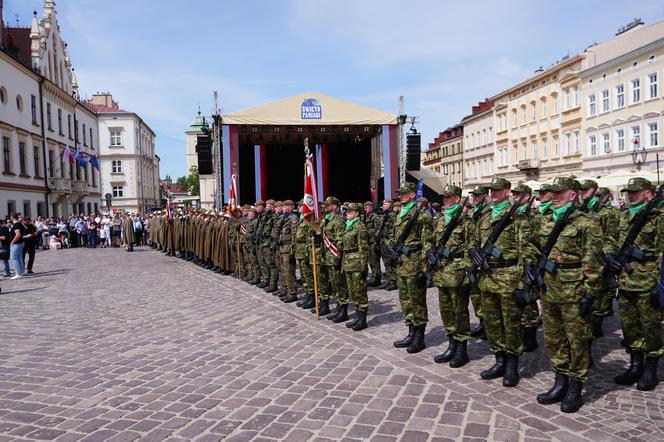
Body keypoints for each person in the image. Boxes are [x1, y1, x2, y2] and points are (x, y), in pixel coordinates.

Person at [532, 177, 602, 413]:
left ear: (572, 195)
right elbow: (534, 248)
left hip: (574, 291)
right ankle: (560, 382)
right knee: (553, 339)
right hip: (549, 289)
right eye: (552, 192)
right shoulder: (545, 220)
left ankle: (575, 386)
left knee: (577, 340)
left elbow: (592, 261)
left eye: (559, 193)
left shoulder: (586, 223)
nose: (554, 196)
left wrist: (589, 292)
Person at [469, 177, 536, 388]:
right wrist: (473, 252)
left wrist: (521, 283)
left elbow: (527, 252)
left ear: (508, 191)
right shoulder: (485, 216)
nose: (493, 194)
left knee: (511, 324)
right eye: (491, 190)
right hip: (487, 278)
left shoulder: (518, 216)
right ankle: (499, 360)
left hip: (508, 277)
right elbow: (472, 238)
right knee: (492, 323)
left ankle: (512, 365)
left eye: (498, 190)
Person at [604, 177, 664, 392]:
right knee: (629, 326)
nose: (630, 195)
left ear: (648, 193)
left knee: (651, 327)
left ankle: (651, 369)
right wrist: (609, 254)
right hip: (626, 282)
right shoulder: (623, 216)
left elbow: (661, 254)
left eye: (635, 192)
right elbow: (611, 239)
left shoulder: (658, 218)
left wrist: (660, 285)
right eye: (628, 192)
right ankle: (635, 364)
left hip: (648, 281)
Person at [427, 185, 473, 368]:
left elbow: (471, 248)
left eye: (448, 197)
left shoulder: (465, 222)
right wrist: (429, 251)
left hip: (457, 272)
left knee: (459, 312)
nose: (444, 200)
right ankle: (452, 345)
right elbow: (430, 240)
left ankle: (462, 350)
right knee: (446, 311)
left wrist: (468, 276)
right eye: (443, 197)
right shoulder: (439, 220)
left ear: (456, 199)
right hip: (441, 272)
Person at [388, 182, 433, 354]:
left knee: (417, 301)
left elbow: (427, 242)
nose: (401, 195)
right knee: (405, 300)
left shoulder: (421, 215)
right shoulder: (400, 214)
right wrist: (390, 246)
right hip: (401, 263)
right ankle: (411, 332)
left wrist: (424, 268)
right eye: (400, 193)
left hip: (414, 263)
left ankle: (419, 338)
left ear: (413, 195)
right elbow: (394, 236)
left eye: (404, 193)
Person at [342, 202, 370, 331]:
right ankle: (357, 317)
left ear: (356, 213)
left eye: (349, 211)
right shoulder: (348, 225)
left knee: (360, 291)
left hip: (357, 263)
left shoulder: (360, 227)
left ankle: (362, 320)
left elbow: (364, 248)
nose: (347, 213)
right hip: (349, 262)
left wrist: (363, 266)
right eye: (346, 211)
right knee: (353, 291)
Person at [469, 185, 491, 339]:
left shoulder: (488, 212)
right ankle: (482, 322)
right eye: (473, 195)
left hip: (484, 260)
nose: (474, 198)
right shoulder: (471, 212)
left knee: (486, 296)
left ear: (484, 196)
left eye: (477, 195)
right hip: (473, 259)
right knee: (475, 295)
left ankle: (490, 327)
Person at [8, 213, 26, 279]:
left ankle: (18, 273)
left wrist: (12, 242)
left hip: (16, 244)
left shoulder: (16, 225)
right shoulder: (20, 224)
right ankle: (21, 272)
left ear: (12, 217)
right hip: (20, 243)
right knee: (19, 257)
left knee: (13, 258)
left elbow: (18, 235)